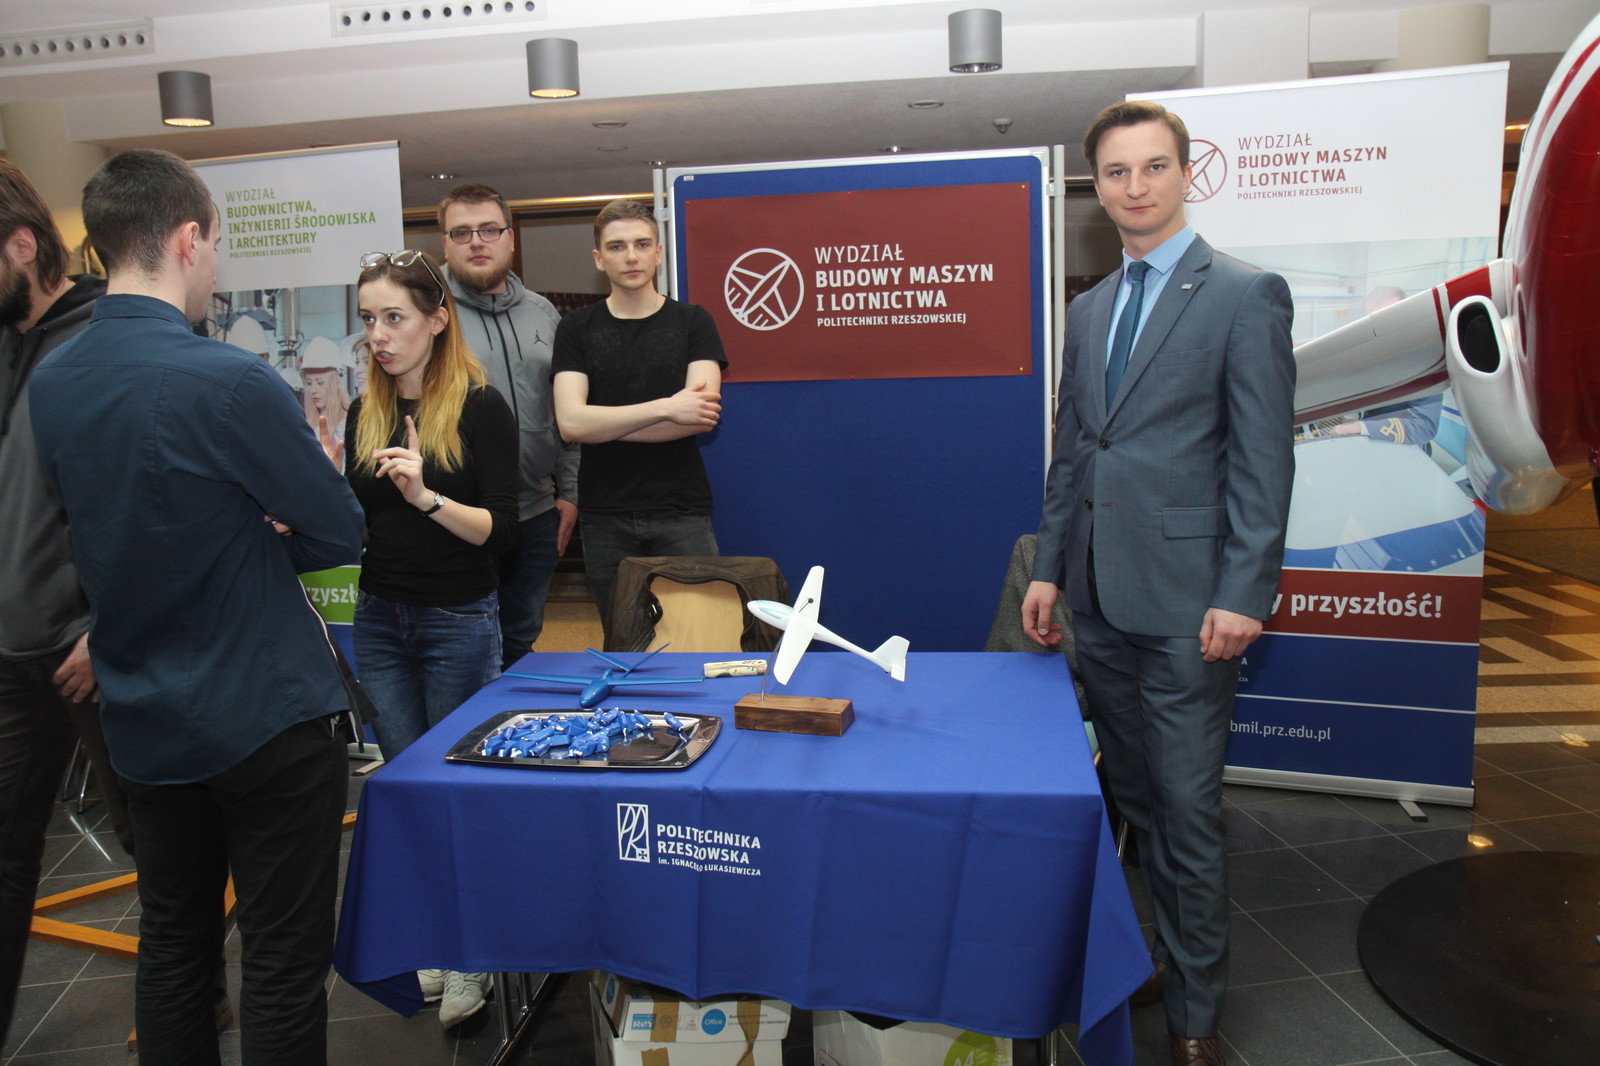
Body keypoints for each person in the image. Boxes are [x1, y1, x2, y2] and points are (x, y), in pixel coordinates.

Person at [28, 148, 365, 1066]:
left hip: (145, 717)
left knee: (174, 946)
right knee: (282, 962)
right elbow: (338, 527)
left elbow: (90, 527)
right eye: (213, 244)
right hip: (265, 713)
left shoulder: (53, 383)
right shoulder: (229, 380)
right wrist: (260, 535)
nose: (213, 262)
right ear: (187, 239)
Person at [1021, 101, 1295, 1066]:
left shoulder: (1245, 295)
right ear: (1096, 189)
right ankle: (1157, 960)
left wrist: (1245, 592)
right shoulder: (1090, 308)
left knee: (1185, 812)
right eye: (1116, 172)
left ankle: (1196, 1018)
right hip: (1097, 601)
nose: (1135, 186)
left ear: (1185, 174)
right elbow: (1075, 453)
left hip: (1189, 608)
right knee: (1133, 801)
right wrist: (1049, 570)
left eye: (1153, 167)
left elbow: (1263, 461)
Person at [344, 248, 517, 1027]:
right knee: (411, 794)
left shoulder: (482, 408)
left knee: (458, 793)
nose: (379, 335)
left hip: (457, 621)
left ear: (438, 320)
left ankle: (474, 953)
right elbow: (360, 517)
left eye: (395, 317)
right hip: (380, 620)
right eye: (369, 320)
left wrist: (425, 497)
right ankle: (435, 941)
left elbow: (501, 533)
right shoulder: (366, 410)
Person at [0, 157, 131, 1051]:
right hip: (11, 650)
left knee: (155, 843)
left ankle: (193, 1001)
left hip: (90, 651)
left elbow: (142, 504)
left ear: (21, 245)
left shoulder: (101, 342)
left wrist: (107, 626)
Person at [552, 199, 726, 636]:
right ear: (599, 258)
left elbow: (699, 417)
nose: (630, 256)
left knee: (699, 636)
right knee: (624, 641)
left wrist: (602, 426)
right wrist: (666, 407)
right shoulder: (576, 329)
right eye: (617, 246)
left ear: (658, 252)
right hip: (604, 513)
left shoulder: (693, 322)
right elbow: (571, 424)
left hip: (681, 509)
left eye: (641, 244)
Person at [437, 184, 578, 668]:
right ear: (445, 244)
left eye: (489, 230)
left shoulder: (543, 312)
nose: (477, 241)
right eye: (462, 232)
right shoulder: (428, 314)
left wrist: (570, 492)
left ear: (510, 239)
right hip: (458, 516)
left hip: (535, 514)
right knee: (463, 647)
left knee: (519, 642)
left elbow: (566, 408)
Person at [300, 335, 351, 467]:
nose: (313, 390)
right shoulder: (305, 424)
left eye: (320, 383)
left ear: (335, 383)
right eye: (309, 383)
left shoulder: (349, 424)